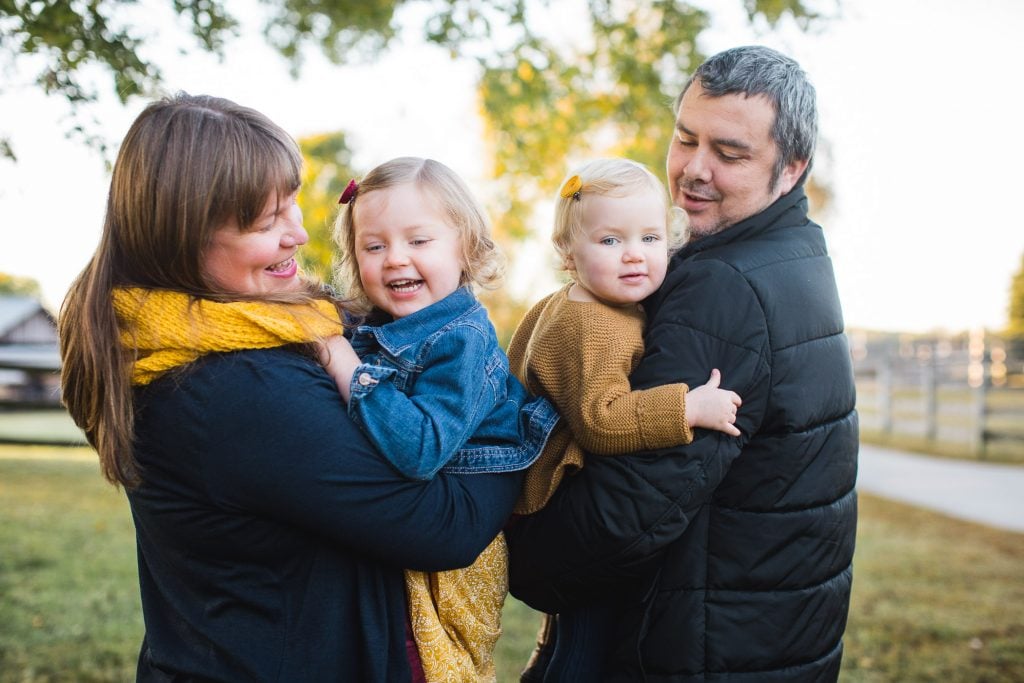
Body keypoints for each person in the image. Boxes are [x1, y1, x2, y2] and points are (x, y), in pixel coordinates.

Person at [58, 93, 526, 681]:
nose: (299, 235)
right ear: (184, 236)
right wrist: (508, 417)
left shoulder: (214, 339)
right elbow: (442, 527)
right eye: (266, 221)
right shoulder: (234, 388)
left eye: (292, 207)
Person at [505, 45, 859, 681]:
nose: (693, 170)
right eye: (684, 138)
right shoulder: (796, 255)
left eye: (728, 153)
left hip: (698, 649)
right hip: (760, 638)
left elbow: (634, 505)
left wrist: (522, 558)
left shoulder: (726, 285)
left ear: (792, 167)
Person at [319, 156, 558, 682]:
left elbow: (421, 447)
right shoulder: (378, 328)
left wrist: (341, 362)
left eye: (418, 241)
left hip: (459, 562)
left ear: (465, 247)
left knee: (431, 663)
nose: (394, 259)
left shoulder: (462, 339)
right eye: (373, 245)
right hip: (410, 535)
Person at [504, 157, 743, 681]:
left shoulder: (577, 304)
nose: (634, 254)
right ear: (568, 253)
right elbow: (602, 420)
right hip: (555, 505)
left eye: (651, 238)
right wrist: (686, 407)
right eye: (610, 241)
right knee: (585, 640)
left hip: (545, 502)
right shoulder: (594, 324)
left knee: (571, 632)